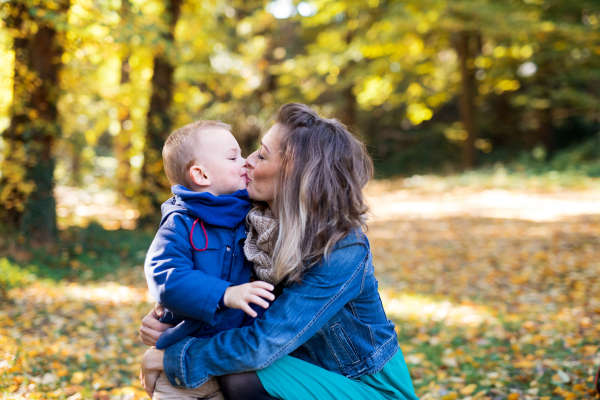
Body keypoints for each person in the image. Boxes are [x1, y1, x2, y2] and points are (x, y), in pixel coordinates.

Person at [140, 103, 420, 400]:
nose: (247, 161)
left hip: (365, 385)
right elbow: (213, 273)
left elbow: (262, 344)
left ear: (295, 174)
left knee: (241, 378)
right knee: (230, 372)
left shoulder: (341, 250)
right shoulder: (253, 225)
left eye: (261, 155)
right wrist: (174, 314)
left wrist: (172, 357)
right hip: (300, 370)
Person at [144, 120, 275, 400]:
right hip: (181, 366)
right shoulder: (179, 224)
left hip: (230, 363)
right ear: (201, 175)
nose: (245, 162)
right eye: (233, 157)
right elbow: (167, 277)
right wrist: (224, 293)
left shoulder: (252, 217)